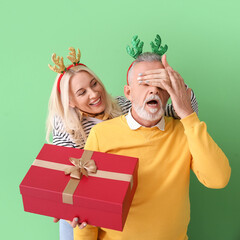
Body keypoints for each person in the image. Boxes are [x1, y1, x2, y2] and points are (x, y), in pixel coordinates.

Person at [73, 52, 231, 240]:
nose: (154, 91)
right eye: (145, 84)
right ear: (129, 92)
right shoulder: (102, 134)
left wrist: (187, 114)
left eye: (161, 85)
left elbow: (218, 179)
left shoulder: (185, 131)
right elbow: (86, 204)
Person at [46, 47, 198, 240]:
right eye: (82, 92)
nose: (94, 94)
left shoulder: (123, 105)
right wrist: (65, 208)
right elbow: (63, 174)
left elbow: (175, 112)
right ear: (71, 102)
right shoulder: (66, 125)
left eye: (94, 84)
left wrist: (178, 89)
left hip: (119, 196)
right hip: (82, 206)